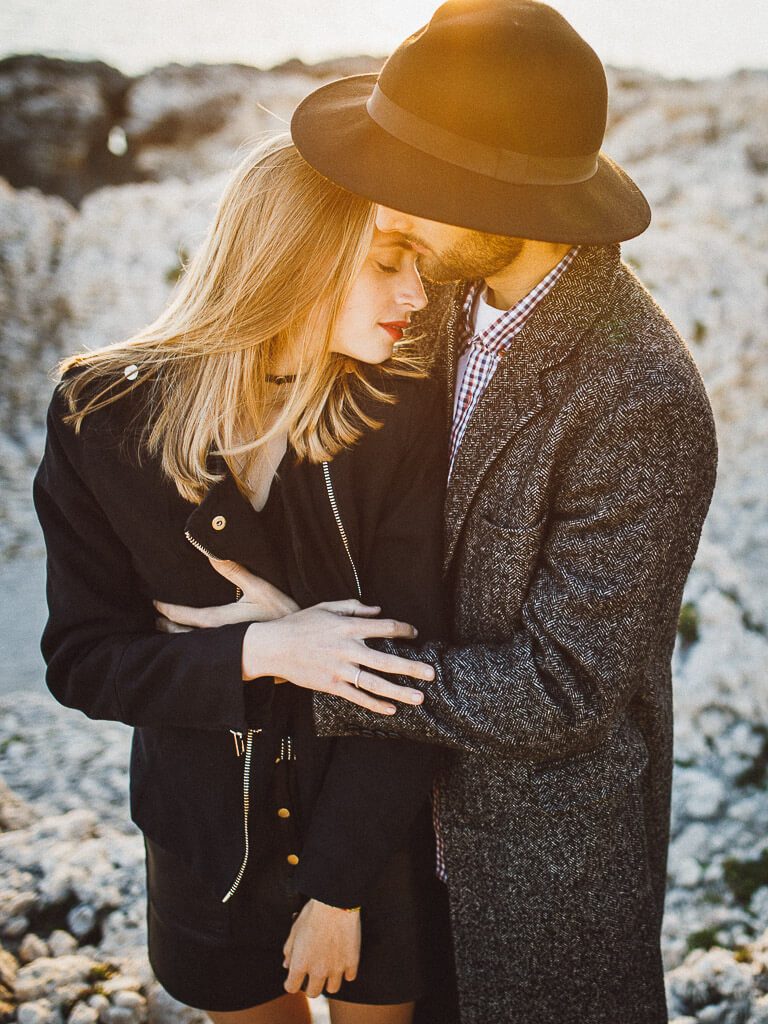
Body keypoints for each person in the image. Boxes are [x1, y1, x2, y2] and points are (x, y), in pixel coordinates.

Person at [160, 3, 719, 1022]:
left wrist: (311, 673)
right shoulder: (431, 304)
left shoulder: (642, 398)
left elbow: (563, 690)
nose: (388, 203)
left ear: (504, 194)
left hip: (535, 881)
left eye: (416, 182)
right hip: (381, 842)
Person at [33, 134, 456, 1024]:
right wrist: (267, 649)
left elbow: (411, 670)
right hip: (202, 839)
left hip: (368, 832)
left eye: (416, 265)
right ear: (297, 257)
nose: (416, 295)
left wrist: (340, 891)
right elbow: (82, 662)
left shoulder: (398, 409)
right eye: (388, 262)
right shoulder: (100, 417)